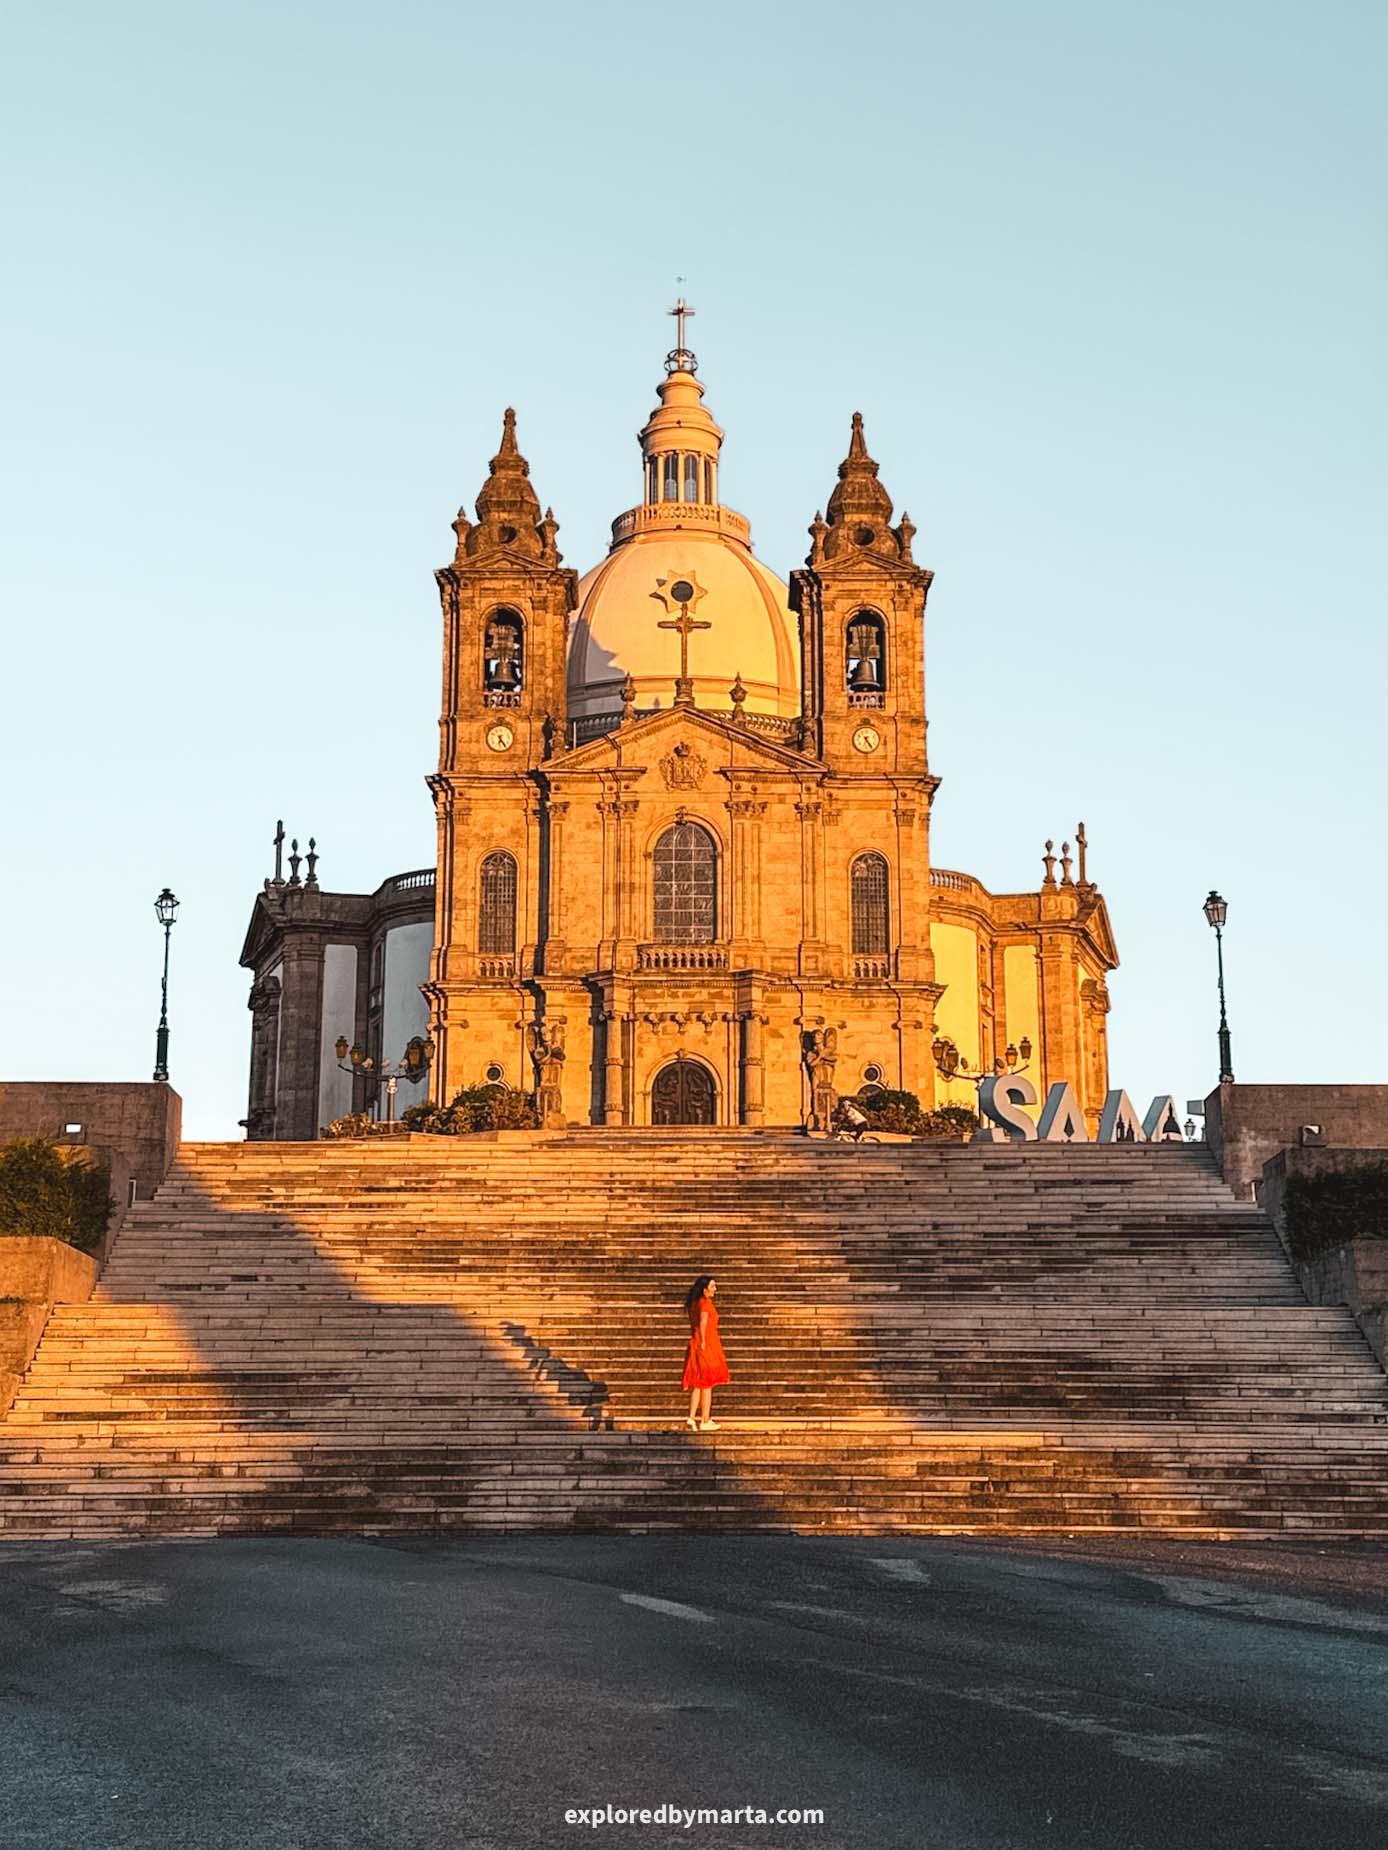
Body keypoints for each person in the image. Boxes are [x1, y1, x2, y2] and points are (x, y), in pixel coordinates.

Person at [682, 1275, 730, 1431]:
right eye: (712, 1286)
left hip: (695, 1341)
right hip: (706, 1343)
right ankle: (705, 1419)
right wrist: (703, 1341)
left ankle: (691, 1417)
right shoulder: (704, 1303)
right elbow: (703, 1321)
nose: (715, 1289)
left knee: (698, 1383)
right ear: (704, 1290)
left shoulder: (693, 1303)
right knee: (707, 1383)